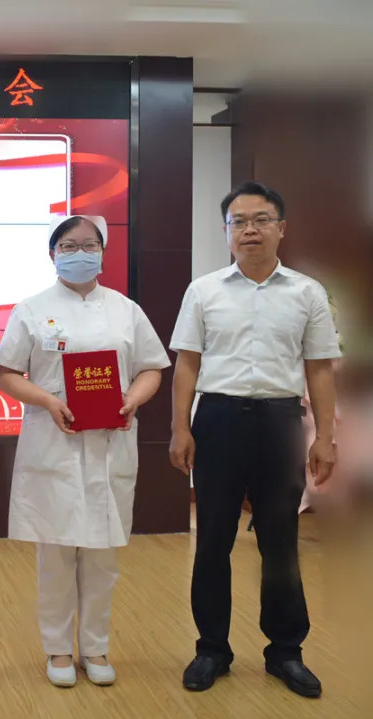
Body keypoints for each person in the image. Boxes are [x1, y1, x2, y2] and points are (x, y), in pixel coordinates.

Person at [170, 181, 340, 698]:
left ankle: (286, 652)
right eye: (238, 221)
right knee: (212, 541)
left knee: (280, 542)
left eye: (261, 219)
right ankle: (211, 649)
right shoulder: (204, 291)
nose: (250, 229)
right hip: (217, 420)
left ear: (281, 228)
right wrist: (180, 427)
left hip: (280, 423)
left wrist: (326, 437)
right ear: (226, 232)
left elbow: (320, 369)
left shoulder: (307, 292)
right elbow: (187, 364)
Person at [0, 215, 169, 688]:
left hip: (111, 442)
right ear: (52, 254)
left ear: (103, 253)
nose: (79, 253)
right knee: (56, 554)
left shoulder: (126, 310)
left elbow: (151, 368)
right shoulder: (32, 309)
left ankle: (95, 647)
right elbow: (7, 374)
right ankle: (57, 649)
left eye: (89, 245)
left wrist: (132, 399)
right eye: (68, 246)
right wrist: (48, 400)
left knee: (102, 557)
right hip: (55, 442)